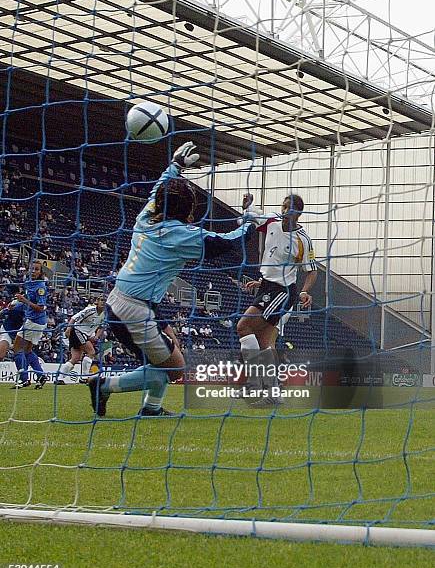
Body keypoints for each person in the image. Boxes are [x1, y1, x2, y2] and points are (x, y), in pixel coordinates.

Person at [88, 142, 255, 417]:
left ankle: (152, 408)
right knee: (175, 368)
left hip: (132, 300)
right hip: (134, 308)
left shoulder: (147, 216)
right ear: (187, 209)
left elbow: (160, 187)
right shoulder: (180, 235)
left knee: (171, 343)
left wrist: (175, 165)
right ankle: (103, 385)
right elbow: (225, 243)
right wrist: (250, 223)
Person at [237, 193, 317, 405]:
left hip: (282, 291)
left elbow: (312, 271)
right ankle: (273, 394)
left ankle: (255, 383)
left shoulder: (303, 240)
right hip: (267, 286)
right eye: (283, 206)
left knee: (243, 326)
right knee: (265, 343)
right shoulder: (272, 220)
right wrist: (247, 207)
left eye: (289, 208)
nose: (284, 211)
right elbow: (253, 218)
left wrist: (304, 291)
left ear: (298, 213)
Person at [13, 261, 49, 389]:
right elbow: (28, 302)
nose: (33, 271)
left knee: (17, 348)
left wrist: (24, 300)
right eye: (32, 269)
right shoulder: (30, 284)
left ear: (41, 272)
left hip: (34, 321)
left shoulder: (40, 287)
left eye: (36, 269)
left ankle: (24, 379)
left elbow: (41, 307)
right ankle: (40, 376)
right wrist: (18, 302)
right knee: (27, 350)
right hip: (37, 322)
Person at [57, 296, 105, 383]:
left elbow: (102, 326)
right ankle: (84, 378)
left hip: (84, 335)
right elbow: (74, 318)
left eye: (105, 301)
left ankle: (59, 378)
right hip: (77, 331)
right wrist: (68, 329)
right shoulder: (90, 310)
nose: (103, 302)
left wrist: (97, 336)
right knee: (91, 352)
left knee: (75, 358)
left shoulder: (105, 314)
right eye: (101, 300)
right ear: (97, 301)